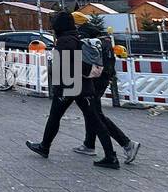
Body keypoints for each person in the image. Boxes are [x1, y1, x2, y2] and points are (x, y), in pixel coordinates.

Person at [26, 10, 120, 169]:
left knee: (55, 117)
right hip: (84, 85)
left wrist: (56, 79)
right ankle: (111, 156)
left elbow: (64, 65)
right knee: (95, 120)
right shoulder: (76, 37)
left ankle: (44, 147)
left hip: (69, 85)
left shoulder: (64, 41)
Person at [74, 14, 141, 162]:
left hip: (93, 80)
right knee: (91, 112)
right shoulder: (102, 37)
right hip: (103, 78)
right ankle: (89, 144)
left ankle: (127, 143)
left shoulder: (85, 37)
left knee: (95, 114)